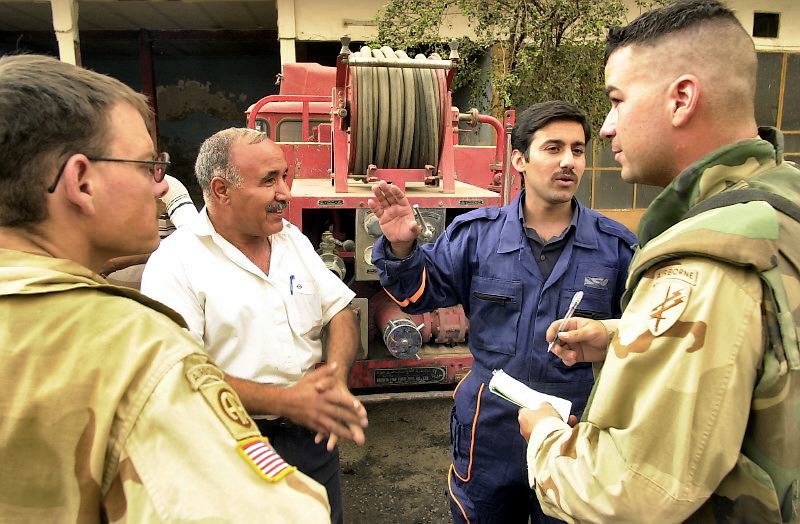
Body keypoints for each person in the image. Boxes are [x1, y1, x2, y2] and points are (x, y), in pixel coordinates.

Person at [0, 54, 330, 522]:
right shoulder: (128, 344)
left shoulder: (288, 240)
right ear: (81, 181)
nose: (160, 188)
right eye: (146, 166)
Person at [518, 1, 800, 522]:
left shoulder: (712, 254)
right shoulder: (781, 207)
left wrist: (545, 436)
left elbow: (632, 490)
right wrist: (624, 339)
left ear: (681, 99)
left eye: (618, 100)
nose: (606, 128)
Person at [368, 100, 637, 523]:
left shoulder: (616, 247)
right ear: (519, 160)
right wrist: (402, 248)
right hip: (489, 430)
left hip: (573, 428)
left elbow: (641, 338)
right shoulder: (477, 236)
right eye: (553, 149)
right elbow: (418, 295)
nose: (568, 161)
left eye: (578, 150)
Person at [140, 127, 369, 524]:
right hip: (228, 444)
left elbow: (340, 310)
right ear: (222, 190)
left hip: (310, 440)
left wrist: (334, 379)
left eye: (285, 176)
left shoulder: (291, 241)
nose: (285, 193)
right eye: (269, 180)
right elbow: (177, 377)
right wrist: (286, 401)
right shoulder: (175, 263)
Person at [102, 174, 198, 288]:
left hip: (158, 297)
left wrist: (117, 263)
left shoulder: (165, 185)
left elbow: (194, 239)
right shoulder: (96, 188)